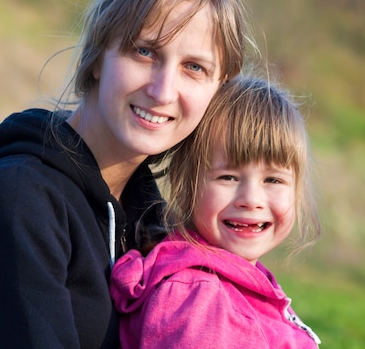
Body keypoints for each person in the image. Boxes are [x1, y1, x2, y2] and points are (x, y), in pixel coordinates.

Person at [0, 0, 254, 349]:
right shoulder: (17, 199)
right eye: (144, 51)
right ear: (99, 55)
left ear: (217, 87)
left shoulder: (151, 217)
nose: (162, 91)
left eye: (194, 67)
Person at [110, 75, 322, 349]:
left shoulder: (237, 280)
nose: (251, 200)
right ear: (186, 183)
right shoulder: (200, 299)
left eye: (273, 180)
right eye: (228, 177)